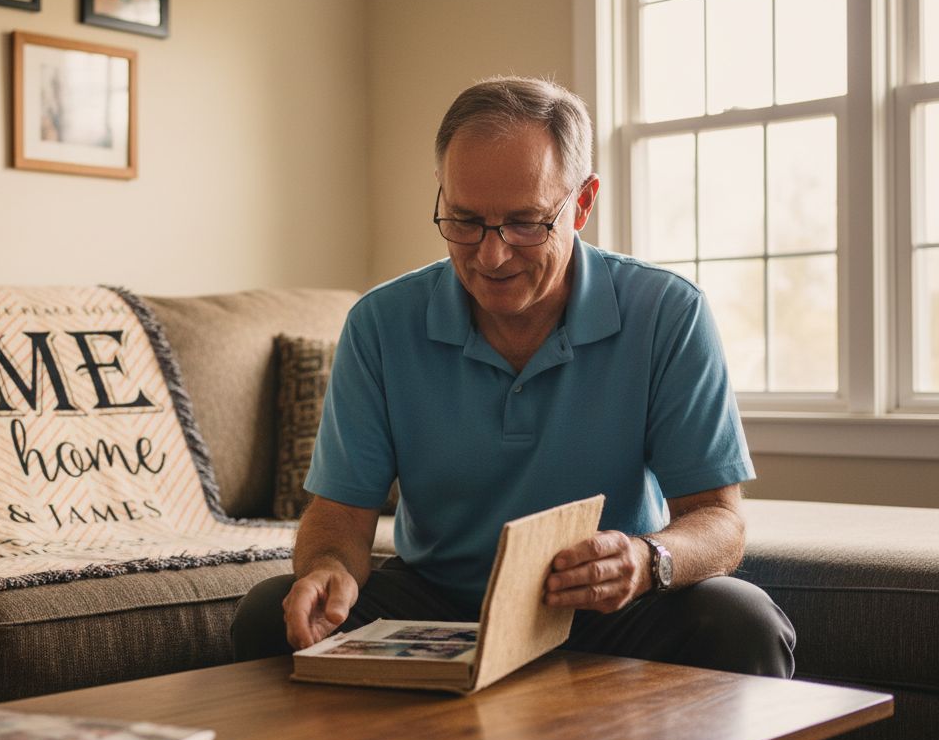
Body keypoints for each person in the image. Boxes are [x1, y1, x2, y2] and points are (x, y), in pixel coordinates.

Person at [230, 76, 797, 679]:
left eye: (526, 224)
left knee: (742, 621)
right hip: (438, 608)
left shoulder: (667, 312)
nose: (491, 256)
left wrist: (646, 558)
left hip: (610, 608)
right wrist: (328, 570)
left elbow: (719, 520)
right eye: (465, 220)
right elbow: (339, 518)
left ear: (581, 204)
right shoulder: (380, 323)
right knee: (270, 613)